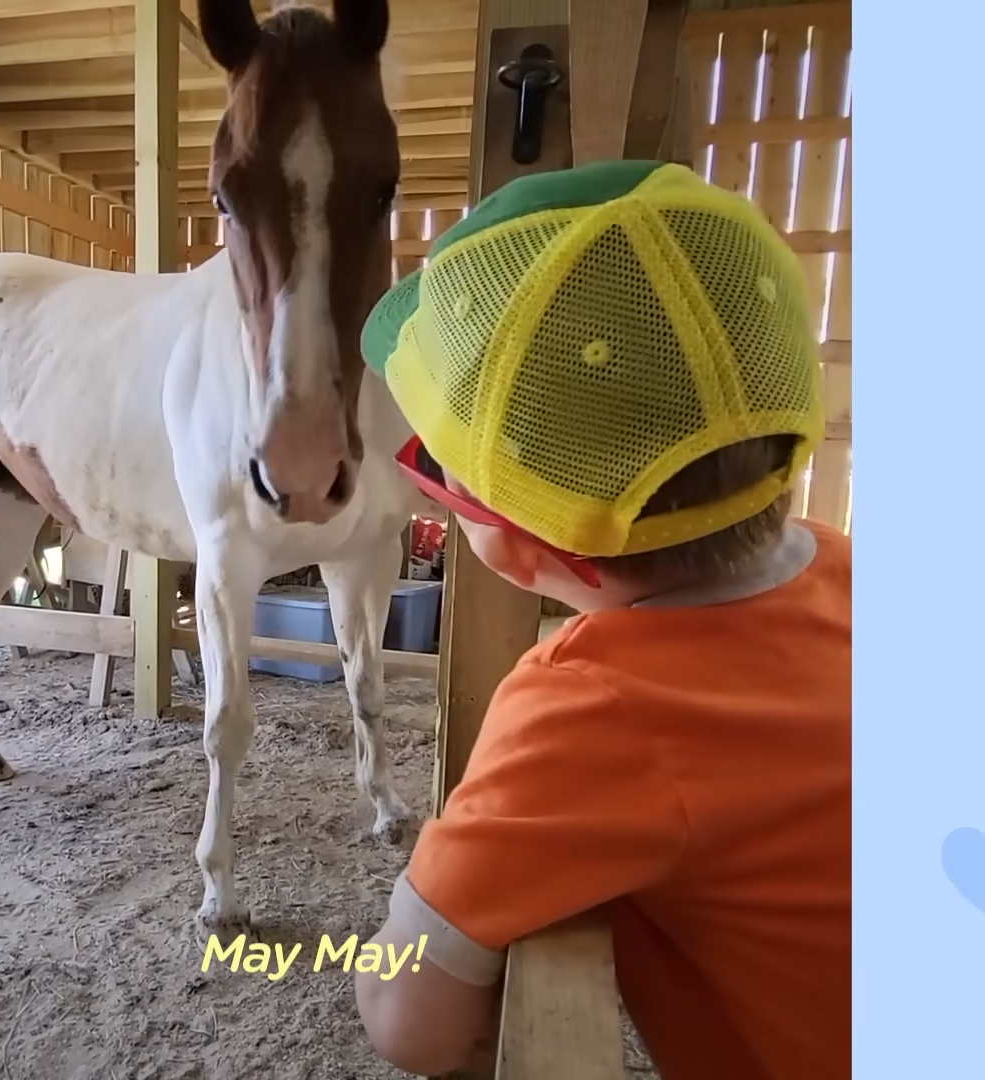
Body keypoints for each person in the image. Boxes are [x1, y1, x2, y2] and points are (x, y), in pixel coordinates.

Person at [350, 159, 850, 1080]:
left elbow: (408, 1020)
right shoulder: (851, 572)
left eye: (436, 465)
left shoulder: (593, 709)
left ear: (515, 540)